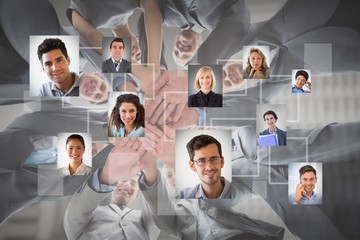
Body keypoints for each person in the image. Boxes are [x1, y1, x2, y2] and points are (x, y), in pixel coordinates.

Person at [64, 168, 159, 239]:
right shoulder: (92, 212)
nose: (127, 185)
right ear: (113, 184)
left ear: (138, 193)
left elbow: (157, 206)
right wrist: (105, 176)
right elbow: (78, 211)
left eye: (134, 183)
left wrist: (150, 171)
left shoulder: (144, 218)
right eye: (123, 180)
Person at [178, 134, 231, 199]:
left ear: (222, 161)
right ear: (192, 166)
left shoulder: (239, 191)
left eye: (214, 159)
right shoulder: (183, 196)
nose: (209, 167)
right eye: (201, 161)